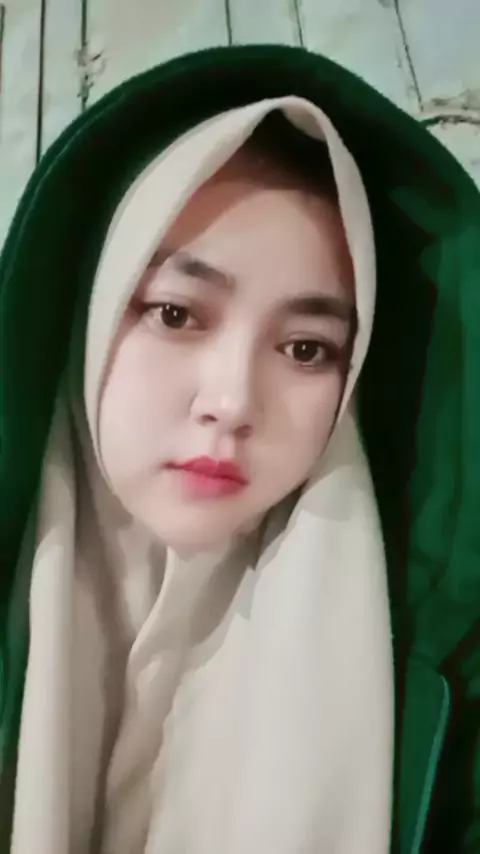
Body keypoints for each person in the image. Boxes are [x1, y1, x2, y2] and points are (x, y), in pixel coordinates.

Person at [0, 44, 479, 854]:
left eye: (306, 349)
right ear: (88, 310)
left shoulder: (443, 665)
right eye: (175, 313)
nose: (231, 403)